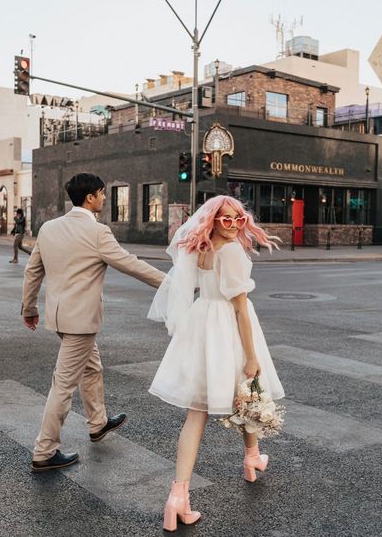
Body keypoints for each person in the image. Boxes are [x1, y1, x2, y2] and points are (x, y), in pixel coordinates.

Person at [148, 195, 285, 531]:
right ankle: (250, 457)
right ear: (212, 220)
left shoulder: (200, 248)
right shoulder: (232, 251)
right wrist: (252, 356)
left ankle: (179, 494)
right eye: (226, 219)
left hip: (202, 322)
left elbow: (193, 288)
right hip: (227, 326)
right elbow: (240, 307)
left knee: (201, 412)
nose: (234, 225)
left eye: (239, 219)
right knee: (247, 391)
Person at [22, 173, 165, 472]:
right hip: (81, 321)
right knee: (62, 385)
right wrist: (173, 284)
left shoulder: (49, 228)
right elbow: (131, 264)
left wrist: (30, 307)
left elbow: (33, 270)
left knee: (92, 366)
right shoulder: (98, 232)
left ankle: (97, 423)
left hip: (59, 317)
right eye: (101, 193)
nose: (103, 198)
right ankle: (45, 450)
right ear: (90, 197)